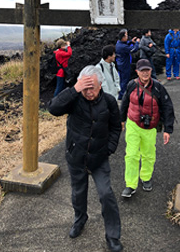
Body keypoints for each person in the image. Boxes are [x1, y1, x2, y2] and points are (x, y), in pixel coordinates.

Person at [47, 66, 123, 252]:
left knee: (106, 194)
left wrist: (109, 149)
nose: (89, 92)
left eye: (93, 87)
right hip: (76, 156)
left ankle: (113, 236)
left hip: (99, 157)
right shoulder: (74, 99)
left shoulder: (109, 101)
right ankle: (80, 219)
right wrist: (74, 89)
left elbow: (116, 127)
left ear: (100, 85)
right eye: (85, 88)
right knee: (78, 194)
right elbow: (53, 108)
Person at [120, 59, 175, 198]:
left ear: (151, 71)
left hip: (150, 126)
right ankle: (130, 184)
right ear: (137, 72)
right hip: (132, 124)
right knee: (131, 155)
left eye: (147, 70)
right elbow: (125, 102)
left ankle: (146, 177)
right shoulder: (132, 85)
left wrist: (168, 129)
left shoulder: (158, 87)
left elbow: (168, 107)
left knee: (148, 154)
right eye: (142, 70)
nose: (145, 73)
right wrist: (121, 120)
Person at [115, 29, 139, 100]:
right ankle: (122, 95)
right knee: (124, 80)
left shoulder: (119, 43)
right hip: (124, 65)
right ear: (123, 37)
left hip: (121, 63)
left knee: (122, 79)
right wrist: (136, 43)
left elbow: (126, 43)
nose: (127, 37)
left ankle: (122, 94)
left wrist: (131, 41)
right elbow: (133, 49)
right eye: (126, 35)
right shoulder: (122, 47)